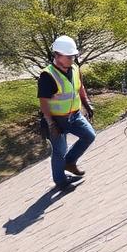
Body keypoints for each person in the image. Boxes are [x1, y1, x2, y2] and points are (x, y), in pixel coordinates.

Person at [38, 35, 96, 189]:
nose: (72, 59)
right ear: (57, 55)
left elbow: (80, 87)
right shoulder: (47, 75)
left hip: (74, 115)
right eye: (69, 56)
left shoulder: (75, 68)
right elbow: (43, 102)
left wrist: (87, 104)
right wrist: (51, 124)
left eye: (73, 56)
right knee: (59, 151)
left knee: (89, 135)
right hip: (57, 119)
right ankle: (61, 182)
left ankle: (69, 163)